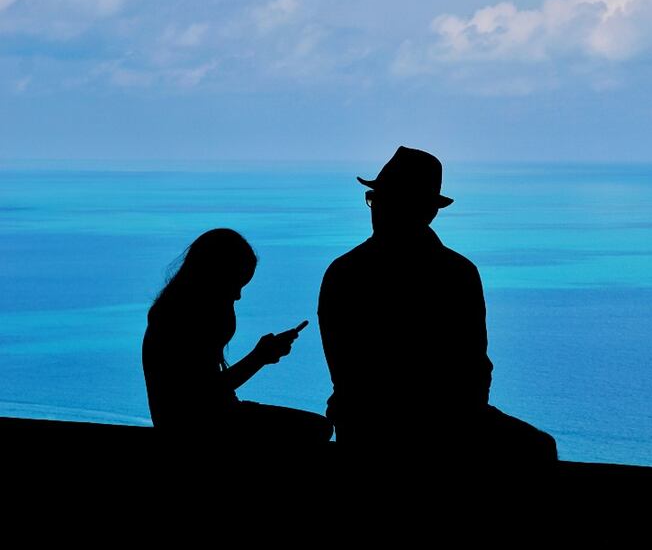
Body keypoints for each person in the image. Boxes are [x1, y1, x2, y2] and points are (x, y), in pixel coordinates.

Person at [318, 146, 557, 466]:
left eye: (384, 200)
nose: (377, 209)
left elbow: (346, 371)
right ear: (429, 210)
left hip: (364, 426)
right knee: (538, 448)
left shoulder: (343, 271)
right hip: (434, 425)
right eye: (375, 199)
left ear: (420, 210)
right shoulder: (457, 272)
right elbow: (473, 365)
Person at [143, 228, 332, 444]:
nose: (238, 295)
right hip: (200, 426)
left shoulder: (172, 311)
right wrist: (259, 357)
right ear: (215, 276)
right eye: (235, 284)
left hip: (200, 420)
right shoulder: (181, 320)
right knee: (318, 429)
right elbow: (205, 394)